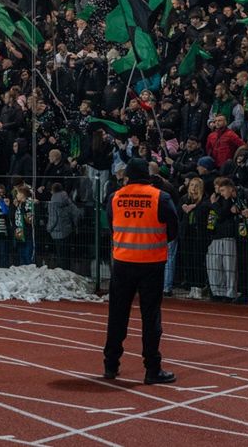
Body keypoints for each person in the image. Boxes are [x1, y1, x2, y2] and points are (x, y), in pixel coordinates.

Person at [102, 158, 178, 385]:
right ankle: (152, 369)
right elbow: (173, 229)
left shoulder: (115, 197)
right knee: (151, 318)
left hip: (123, 262)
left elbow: (111, 225)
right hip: (152, 263)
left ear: (128, 175)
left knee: (117, 315)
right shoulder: (159, 197)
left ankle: (110, 364)